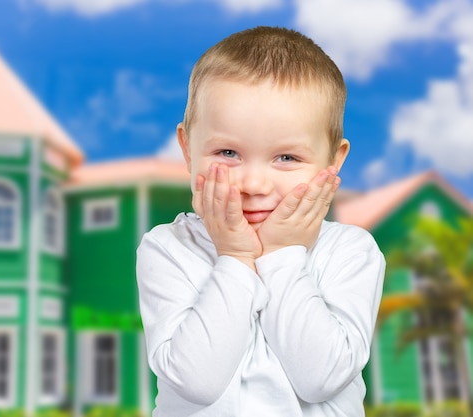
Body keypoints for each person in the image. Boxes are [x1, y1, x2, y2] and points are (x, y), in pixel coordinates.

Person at [136, 26, 385, 416]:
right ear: (188, 149)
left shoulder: (351, 251)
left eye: (287, 158)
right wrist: (235, 257)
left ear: (334, 161)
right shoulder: (168, 247)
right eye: (228, 152)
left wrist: (283, 255)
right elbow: (196, 383)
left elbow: (321, 378)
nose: (253, 184)